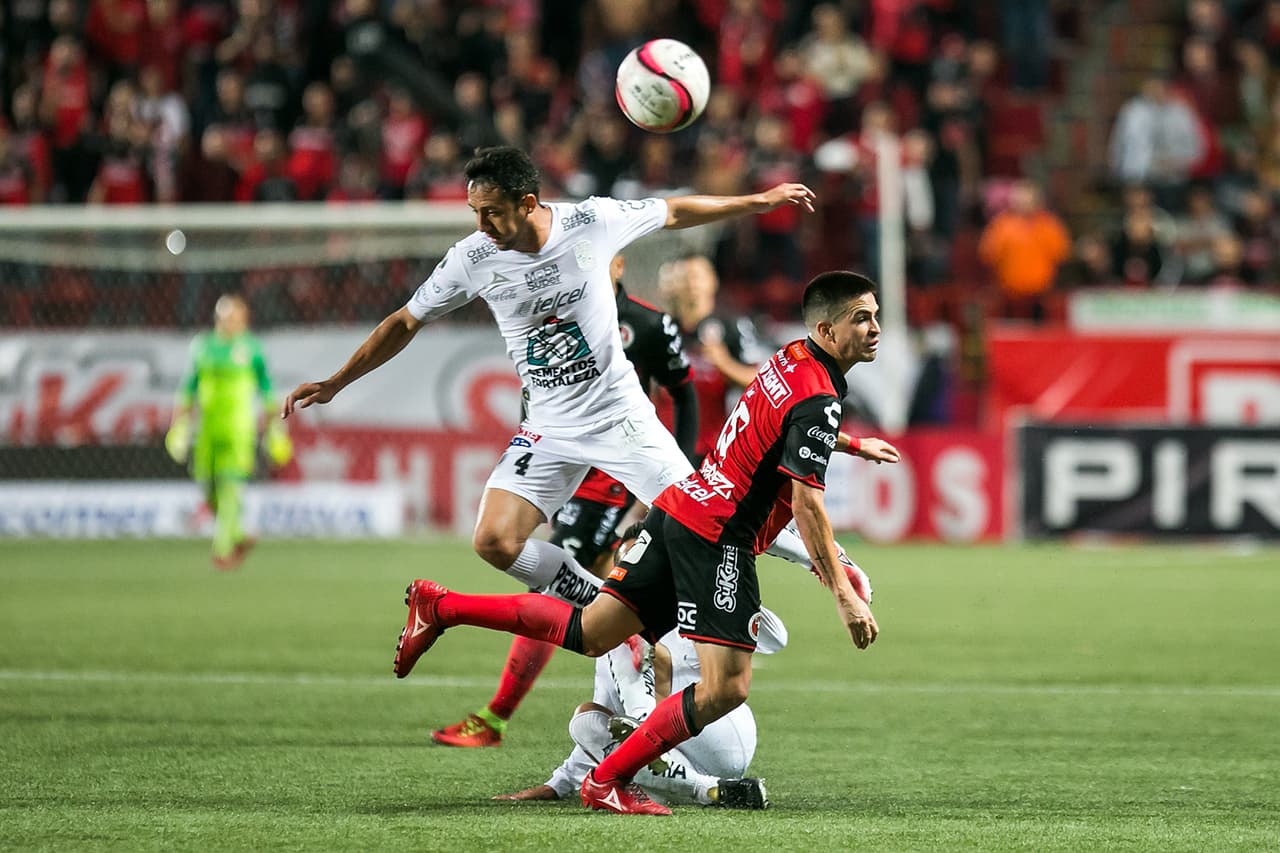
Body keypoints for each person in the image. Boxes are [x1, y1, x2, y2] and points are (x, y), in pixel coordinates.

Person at [394, 270, 884, 815]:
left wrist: (847, 443)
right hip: (718, 537)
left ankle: (441, 607)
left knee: (592, 631)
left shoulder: (791, 358)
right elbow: (808, 503)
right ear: (826, 328)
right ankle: (606, 779)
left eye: (875, 315)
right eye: (861, 318)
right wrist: (842, 591)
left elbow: (784, 424)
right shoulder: (819, 395)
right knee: (727, 688)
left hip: (678, 510)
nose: (874, 328)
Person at [283, 145, 818, 618]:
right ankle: (599, 605)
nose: (482, 225)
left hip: (620, 417)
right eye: (475, 213)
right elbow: (404, 321)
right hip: (548, 427)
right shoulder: (471, 258)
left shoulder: (592, 222)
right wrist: (336, 382)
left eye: (491, 212)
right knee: (494, 540)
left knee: (710, 518)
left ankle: (821, 554)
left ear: (528, 203)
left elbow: (675, 211)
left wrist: (760, 201)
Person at [430, 252, 699, 748]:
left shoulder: (647, 324)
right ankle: (638, 711)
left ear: (618, 264)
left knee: (558, 591)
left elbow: (685, 394)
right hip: (568, 463)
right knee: (603, 601)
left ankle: (499, 715)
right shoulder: (560, 312)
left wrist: (673, 474)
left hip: (616, 475)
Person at [495, 528, 785, 809]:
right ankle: (711, 790)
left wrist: (715, 583)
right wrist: (558, 784)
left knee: (623, 640)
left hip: (721, 733)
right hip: (680, 755)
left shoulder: (699, 604)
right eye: (626, 566)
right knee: (586, 721)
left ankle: (643, 726)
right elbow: (606, 709)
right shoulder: (610, 631)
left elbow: (776, 638)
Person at [165, 294, 292, 569]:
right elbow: (188, 387)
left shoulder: (252, 349)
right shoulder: (202, 347)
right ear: (217, 319)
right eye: (226, 317)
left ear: (244, 320)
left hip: (239, 430)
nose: (231, 322)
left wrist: (275, 428)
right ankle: (237, 534)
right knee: (207, 485)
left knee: (231, 485)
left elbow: (267, 389)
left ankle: (222, 550)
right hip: (207, 429)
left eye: (236, 317)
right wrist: (179, 424)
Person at [659, 254, 770, 462]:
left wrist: (724, 363)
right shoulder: (661, 329)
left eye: (697, 277)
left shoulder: (731, 326)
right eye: (684, 277)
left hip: (711, 452)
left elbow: (761, 382)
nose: (691, 284)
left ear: (713, 281)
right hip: (665, 452)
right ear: (673, 285)